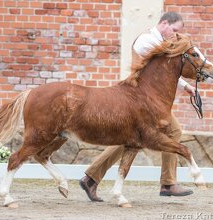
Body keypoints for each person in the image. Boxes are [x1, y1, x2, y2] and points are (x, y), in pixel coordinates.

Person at [79, 12, 196, 202]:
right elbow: (163, 68)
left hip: (148, 101)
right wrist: (184, 84)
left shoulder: (158, 41)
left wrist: (185, 86)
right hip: (138, 99)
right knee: (165, 132)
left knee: (140, 136)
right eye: (174, 30)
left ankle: (91, 178)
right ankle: (167, 183)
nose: (174, 35)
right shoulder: (147, 40)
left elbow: (168, 70)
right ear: (164, 23)